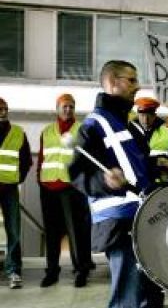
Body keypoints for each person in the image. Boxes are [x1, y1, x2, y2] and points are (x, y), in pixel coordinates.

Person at [68, 60, 164, 308]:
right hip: (120, 221)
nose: (137, 86)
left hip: (144, 216)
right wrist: (105, 180)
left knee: (152, 292)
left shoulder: (128, 124)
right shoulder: (94, 124)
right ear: (112, 83)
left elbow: (138, 170)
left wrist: (157, 167)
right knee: (128, 296)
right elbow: (78, 175)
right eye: (131, 80)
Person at [37, 93, 92, 288]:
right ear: (57, 108)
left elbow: (86, 160)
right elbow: (42, 159)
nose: (68, 109)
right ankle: (52, 271)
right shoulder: (46, 131)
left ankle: (81, 271)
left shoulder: (82, 130)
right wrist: (40, 181)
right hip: (49, 187)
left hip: (73, 188)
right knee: (51, 233)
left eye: (71, 106)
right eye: (64, 106)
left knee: (77, 233)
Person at [0, 97, 32, 289]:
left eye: (5, 109)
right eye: (0, 109)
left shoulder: (18, 133)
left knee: (13, 230)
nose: (3, 112)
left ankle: (13, 271)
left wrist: (17, 178)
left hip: (10, 188)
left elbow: (26, 160)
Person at [129, 97, 168, 183]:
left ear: (154, 116)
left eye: (149, 116)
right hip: (138, 180)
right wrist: (156, 161)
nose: (145, 120)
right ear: (138, 115)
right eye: (142, 116)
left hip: (162, 181)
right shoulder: (129, 132)